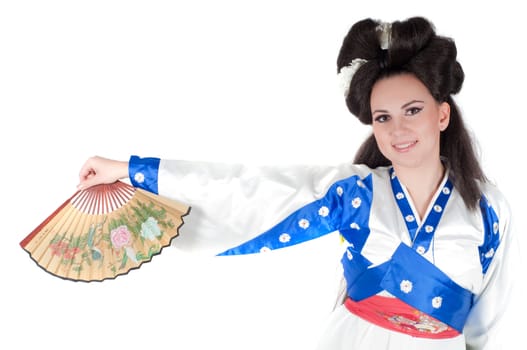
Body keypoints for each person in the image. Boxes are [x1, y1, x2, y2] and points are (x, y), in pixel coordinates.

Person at [77, 16, 516, 350]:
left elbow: (495, 321)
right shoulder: (357, 193)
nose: (398, 129)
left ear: (442, 113)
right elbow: (251, 188)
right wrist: (134, 171)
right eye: (383, 117)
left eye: (413, 110)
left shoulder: (489, 208)